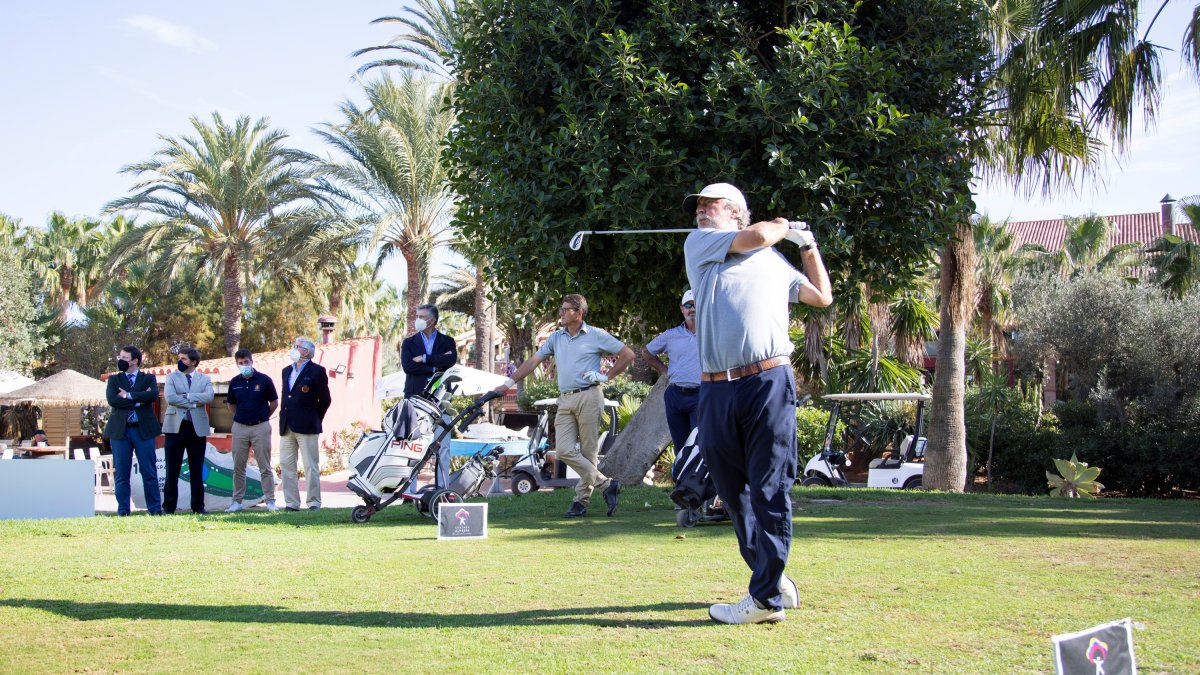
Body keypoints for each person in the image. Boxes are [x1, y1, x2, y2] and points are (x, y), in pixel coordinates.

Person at [682, 182, 832, 624]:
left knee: (769, 484)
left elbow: (820, 297)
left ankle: (765, 598)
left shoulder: (774, 261)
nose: (702, 213)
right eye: (700, 208)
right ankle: (771, 575)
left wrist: (808, 247)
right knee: (731, 491)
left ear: (736, 212)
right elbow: (759, 236)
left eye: (712, 206)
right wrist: (785, 227)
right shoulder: (703, 245)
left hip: (767, 379)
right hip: (715, 387)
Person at [493, 293, 635, 517]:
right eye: (561, 308)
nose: (560, 313)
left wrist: (606, 377)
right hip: (565, 398)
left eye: (565, 309)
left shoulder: (596, 335)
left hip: (589, 396)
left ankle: (580, 502)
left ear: (578, 313)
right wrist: (508, 382)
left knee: (589, 453)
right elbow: (533, 361)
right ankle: (607, 485)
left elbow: (628, 354)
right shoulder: (556, 338)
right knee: (564, 450)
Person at [103, 345, 164, 516]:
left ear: (135, 360)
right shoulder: (114, 380)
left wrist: (129, 395)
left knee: (149, 471)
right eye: (120, 357)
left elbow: (152, 396)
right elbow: (113, 400)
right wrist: (139, 399)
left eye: (124, 358)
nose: (120, 361)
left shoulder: (148, 378)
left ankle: (155, 509)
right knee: (122, 473)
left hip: (143, 430)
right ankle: (123, 511)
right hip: (120, 432)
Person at [641, 289, 701, 457]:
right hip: (675, 395)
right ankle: (681, 481)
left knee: (699, 443)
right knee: (680, 443)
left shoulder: (711, 334)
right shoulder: (671, 335)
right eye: (688, 305)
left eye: (696, 305)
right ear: (682, 309)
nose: (692, 309)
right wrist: (664, 371)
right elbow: (646, 352)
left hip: (701, 395)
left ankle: (697, 481)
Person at [279, 337, 331, 511]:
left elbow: (325, 399)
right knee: (287, 465)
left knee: (310, 465)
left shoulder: (317, 371)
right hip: (286, 425)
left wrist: (316, 417)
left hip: (307, 425)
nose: (293, 348)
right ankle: (291, 503)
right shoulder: (286, 371)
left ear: (306, 352)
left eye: (297, 346)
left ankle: (314, 502)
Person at [225, 349, 280, 513]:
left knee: (265, 466)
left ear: (251, 361)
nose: (244, 365)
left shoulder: (264, 380)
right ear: (237, 364)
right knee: (238, 466)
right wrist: (242, 417)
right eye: (240, 363)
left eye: (246, 362)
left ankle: (270, 501)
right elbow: (231, 405)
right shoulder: (234, 382)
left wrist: (263, 417)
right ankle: (237, 502)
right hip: (240, 427)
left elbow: (274, 402)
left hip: (261, 427)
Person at [162, 347, 214, 514]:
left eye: (183, 359)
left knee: (197, 469)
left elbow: (209, 397)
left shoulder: (204, 378)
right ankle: (169, 507)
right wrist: (194, 402)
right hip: (175, 428)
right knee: (172, 469)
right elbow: (170, 397)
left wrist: (187, 396)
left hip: (196, 429)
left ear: (193, 362)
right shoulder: (171, 377)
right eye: (179, 358)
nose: (180, 362)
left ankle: (198, 506)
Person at [400, 304, 458, 399]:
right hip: (414, 393)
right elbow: (407, 367)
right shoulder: (408, 342)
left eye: (421, 317)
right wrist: (434, 368)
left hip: (440, 394)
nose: (418, 320)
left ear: (433, 320)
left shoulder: (448, 341)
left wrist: (424, 358)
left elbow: (450, 360)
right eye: (417, 316)